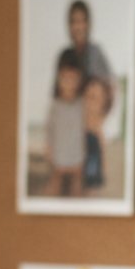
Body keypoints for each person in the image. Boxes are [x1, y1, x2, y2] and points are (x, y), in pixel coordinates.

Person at [46, 51, 86, 198]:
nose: (69, 83)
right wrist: (49, 148)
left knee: (77, 184)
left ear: (80, 79)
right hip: (60, 152)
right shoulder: (55, 105)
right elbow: (50, 129)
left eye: (73, 78)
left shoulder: (82, 104)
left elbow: (87, 129)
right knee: (55, 181)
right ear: (58, 78)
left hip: (77, 153)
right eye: (65, 78)